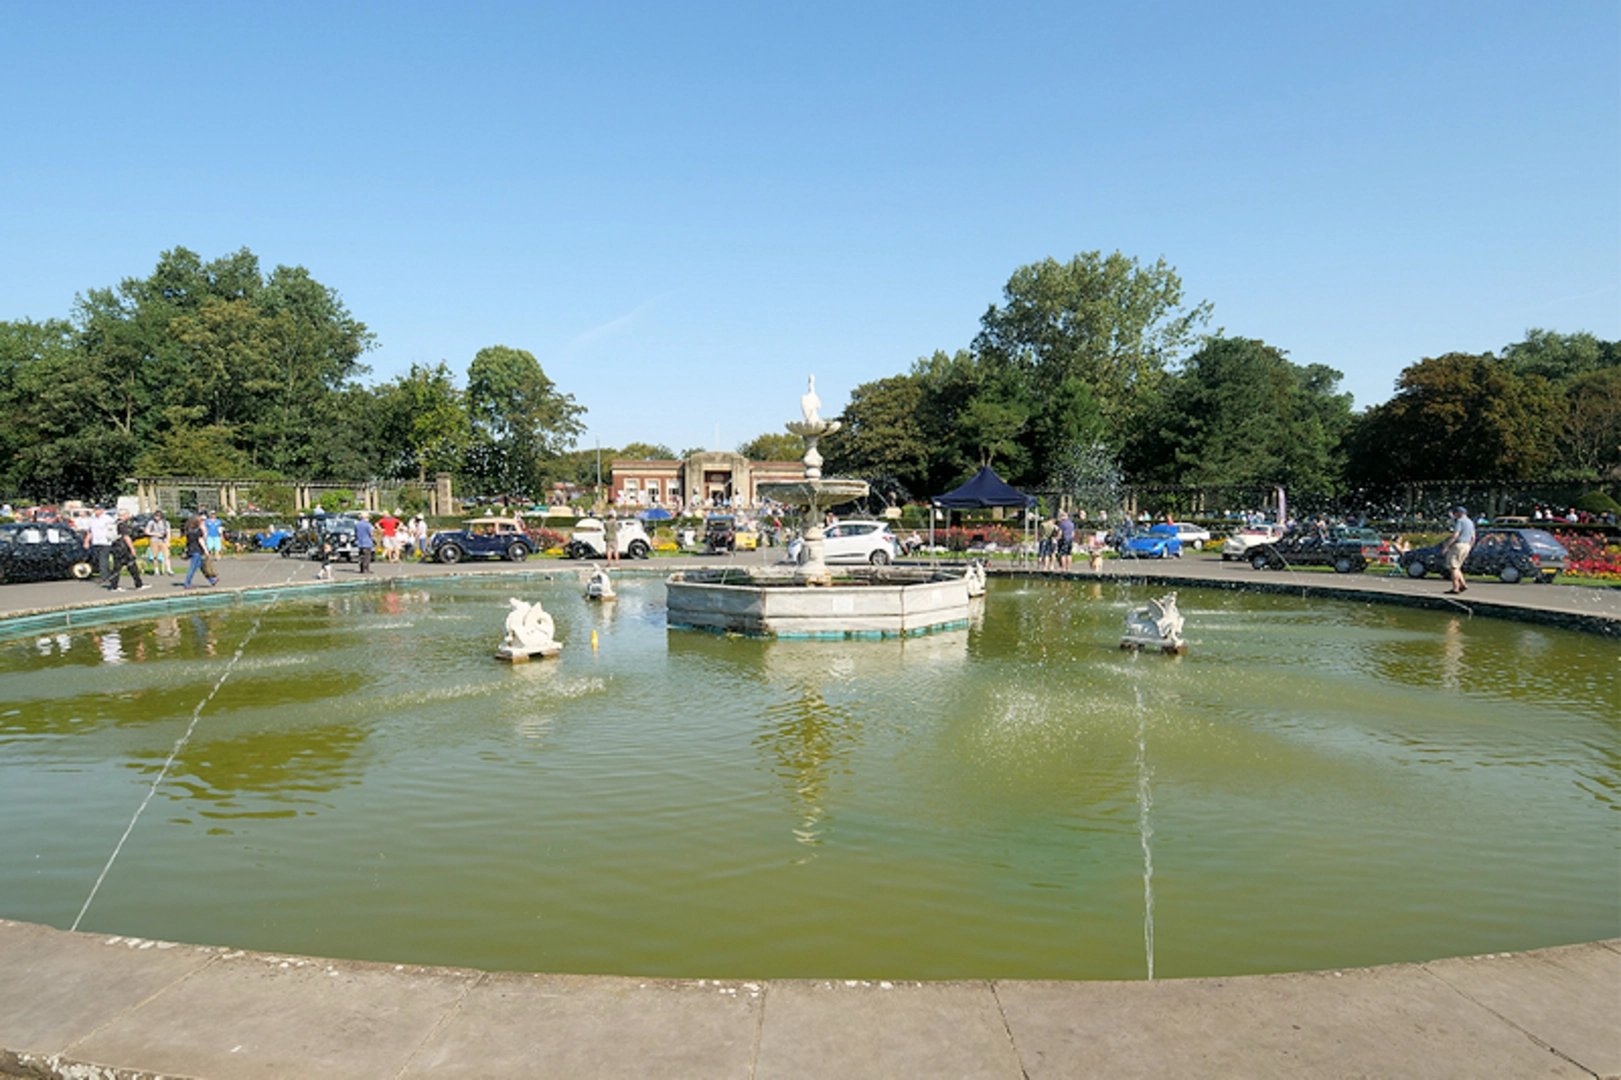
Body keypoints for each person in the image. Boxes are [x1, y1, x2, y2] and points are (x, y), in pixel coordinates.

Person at [105, 509, 149, 591]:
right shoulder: (123, 525)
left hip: (115, 547)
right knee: (128, 566)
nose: (129, 515)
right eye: (128, 514)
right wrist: (132, 548)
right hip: (123, 548)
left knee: (121, 567)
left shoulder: (115, 523)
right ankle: (138, 584)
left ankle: (115, 585)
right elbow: (126, 537)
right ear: (124, 515)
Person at [1440, 505, 1475, 594]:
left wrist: (1446, 546)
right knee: (1457, 566)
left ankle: (1456, 588)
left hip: (1458, 545)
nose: (1454, 515)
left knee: (1453, 567)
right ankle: (1463, 584)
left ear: (1459, 513)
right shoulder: (1471, 522)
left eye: (1455, 513)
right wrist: (1470, 548)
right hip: (1467, 545)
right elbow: (1473, 537)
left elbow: (1455, 535)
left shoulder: (1460, 521)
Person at [82, 506, 116, 586]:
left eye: (97, 510)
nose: (96, 511)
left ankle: (104, 577)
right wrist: (86, 541)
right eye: (95, 509)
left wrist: (112, 537)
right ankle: (107, 574)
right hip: (96, 542)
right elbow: (90, 531)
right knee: (97, 559)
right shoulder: (93, 519)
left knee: (103, 559)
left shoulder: (107, 518)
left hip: (105, 541)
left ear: (102, 510)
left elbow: (113, 528)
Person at [180, 513, 216, 588]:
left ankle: (212, 580)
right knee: (193, 568)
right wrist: (206, 551)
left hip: (191, 550)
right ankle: (187, 583)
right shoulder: (198, 530)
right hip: (197, 550)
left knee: (201, 566)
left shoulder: (189, 530)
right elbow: (201, 541)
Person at [145, 510, 173, 576]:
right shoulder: (151, 523)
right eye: (156, 516)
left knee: (167, 555)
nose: (156, 517)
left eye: (158, 516)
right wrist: (155, 534)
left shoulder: (166, 523)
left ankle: (169, 569)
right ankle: (156, 570)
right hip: (154, 540)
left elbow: (168, 532)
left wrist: (168, 541)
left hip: (163, 540)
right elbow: (147, 531)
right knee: (155, 556)